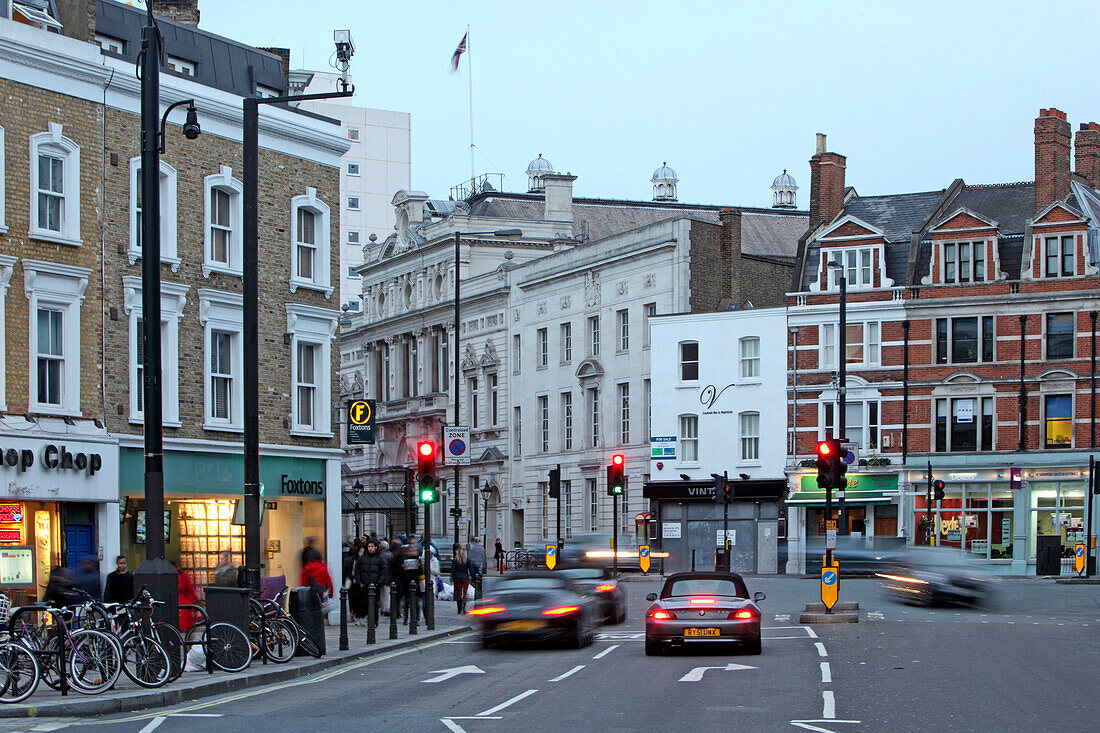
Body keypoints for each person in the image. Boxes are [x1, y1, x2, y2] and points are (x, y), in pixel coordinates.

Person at [353, 539, 389, 626]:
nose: (370, 548)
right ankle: (367, 618)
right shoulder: (363, 558)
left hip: (375, 585)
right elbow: (357, 570)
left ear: (376, 547)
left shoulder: (380, 558)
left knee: (374, 604)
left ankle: (374, 621)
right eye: (369, 546)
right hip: (364, 584)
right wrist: (359, 581)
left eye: (372, 547)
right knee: (365, 603)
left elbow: (383, 571)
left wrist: (379, 582)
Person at [300, 548, 335, 612]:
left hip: (309, 594)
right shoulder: (323, 568)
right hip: (320, 595)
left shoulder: (306, 568)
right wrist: (331, 594)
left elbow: (303, 583)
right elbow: (329, 582)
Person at [171, 558, 199, 631]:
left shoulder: (183, 575)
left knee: (184, 624)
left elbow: (190, 589)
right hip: (178, 601)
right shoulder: (177, 575)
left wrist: (194, 600)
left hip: (183, 602)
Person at [451, 546, 471, 614]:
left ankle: (459, 609)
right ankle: (464, 607)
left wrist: (452, 578)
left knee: (459, 594)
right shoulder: (467, 560)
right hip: (465, 577)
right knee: (464, 593)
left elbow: (453, 571)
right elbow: (471, 570)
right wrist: (473, 577)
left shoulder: (455, 560)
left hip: (457, 577)